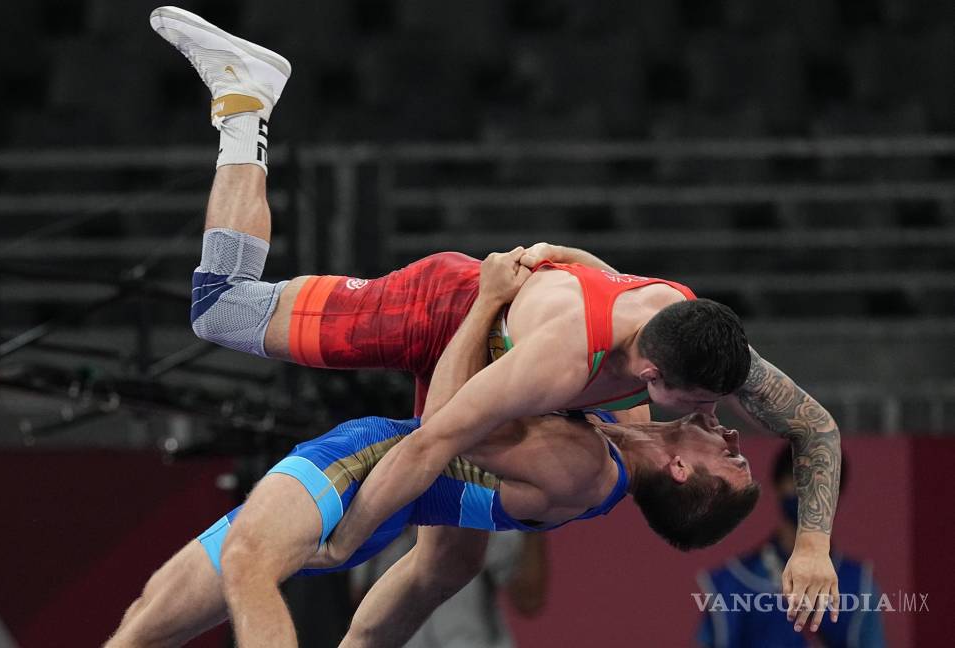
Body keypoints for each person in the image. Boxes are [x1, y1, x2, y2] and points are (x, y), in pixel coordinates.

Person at [151, 5, 842, 634]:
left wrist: (813, 545)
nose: (724, 420)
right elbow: (432, 440)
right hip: (444, 309)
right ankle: (248, 101)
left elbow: (814, 426)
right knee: (222, 310)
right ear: (655, 372)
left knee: (447, 564)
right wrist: (345, 544)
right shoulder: (574, 362)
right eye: (711, 404)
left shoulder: (688, 339)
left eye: (718, 422)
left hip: (491, 344)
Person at [105, 248, 760, 648]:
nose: (731, 434)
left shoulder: (582, 466)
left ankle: (244, 120)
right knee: (143, 627)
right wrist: (566, 260)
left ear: (679, 469)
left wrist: (489, 302)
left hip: (363, 470)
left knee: (250, 563)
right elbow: (622, 311)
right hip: (399, 494)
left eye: (730, 458)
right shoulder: (624, 417)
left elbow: (436, 431)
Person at [696, 449, 886, 648]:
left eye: (822, 485)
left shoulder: (859, 585)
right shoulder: (731, 582)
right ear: (778, 486)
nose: (808, 492)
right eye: (799, 479)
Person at [349, 529, 548, 648]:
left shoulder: (480, 502)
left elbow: (529, 599)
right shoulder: (380, 512)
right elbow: (354, 600)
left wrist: (532, 518)